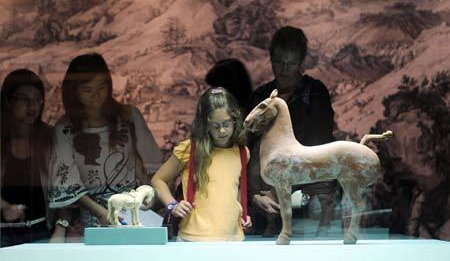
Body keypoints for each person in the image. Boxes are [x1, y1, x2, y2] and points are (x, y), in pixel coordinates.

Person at [48, 53, 162, 239]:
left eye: (102, 87)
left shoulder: (129, 117)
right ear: (73, 91)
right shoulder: (65, 129)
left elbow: (154, 167)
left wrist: (150, 197)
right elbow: (69, 184)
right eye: (87, 90)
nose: (96, 96)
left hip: (134, 214)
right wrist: (103, 213)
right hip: (91, 221)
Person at [247, 26, 337, 236]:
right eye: (279, 62)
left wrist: (291, 185)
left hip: (309, 191)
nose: (285, 69)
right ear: (270, 59)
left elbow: (319, 144)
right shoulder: (260, 97)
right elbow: (250, 150)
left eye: (292, 63)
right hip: (266, 194)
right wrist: (255, 195)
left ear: (301, 62)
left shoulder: (315, 93)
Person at [151, 87, 252, 241]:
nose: (222, 130)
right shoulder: (189, 149)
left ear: (235, 119)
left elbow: (235, 188)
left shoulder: (243, 152)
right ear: (205, 124)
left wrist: (242, 213)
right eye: (215, 126)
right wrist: (172, 205)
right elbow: (158, 180)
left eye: (227, 124)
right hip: (193, 239)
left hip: (233, 239)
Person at [1, 69, 53, 247]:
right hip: (3, 233)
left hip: (41, 231)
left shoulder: (50, 137)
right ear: (8, 101)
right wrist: (4, 206)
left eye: (38, 99)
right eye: (24, 99)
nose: (32, 105)